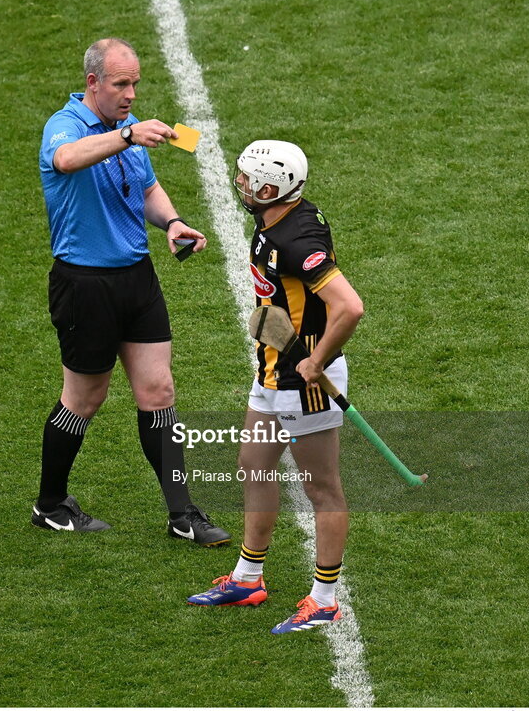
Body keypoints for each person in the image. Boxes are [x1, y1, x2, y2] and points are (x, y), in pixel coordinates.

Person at [31, 37, 229, 547]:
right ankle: (50, 504)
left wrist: (173, 222)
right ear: (93, 82)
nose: (131, 93)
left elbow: (145, 189)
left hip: (136, 279)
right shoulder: (67, 126)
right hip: (85, 285)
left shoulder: (129, 132)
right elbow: (67, 159)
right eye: (121, 83)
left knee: (158, 391)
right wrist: (126, 135)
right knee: (84, 398)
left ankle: (182, 513)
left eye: (135, 83)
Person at [187, 140, 364, 633]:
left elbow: (350, 306)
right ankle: (248, 577)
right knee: (253, 465)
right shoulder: (278, 221)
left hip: (302, 378)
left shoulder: (295, 242)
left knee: (321, 487)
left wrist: (318, 360)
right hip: (272, 368)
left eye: (247, 179)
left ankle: (325, 599)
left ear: (271, 188)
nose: (240, 185)